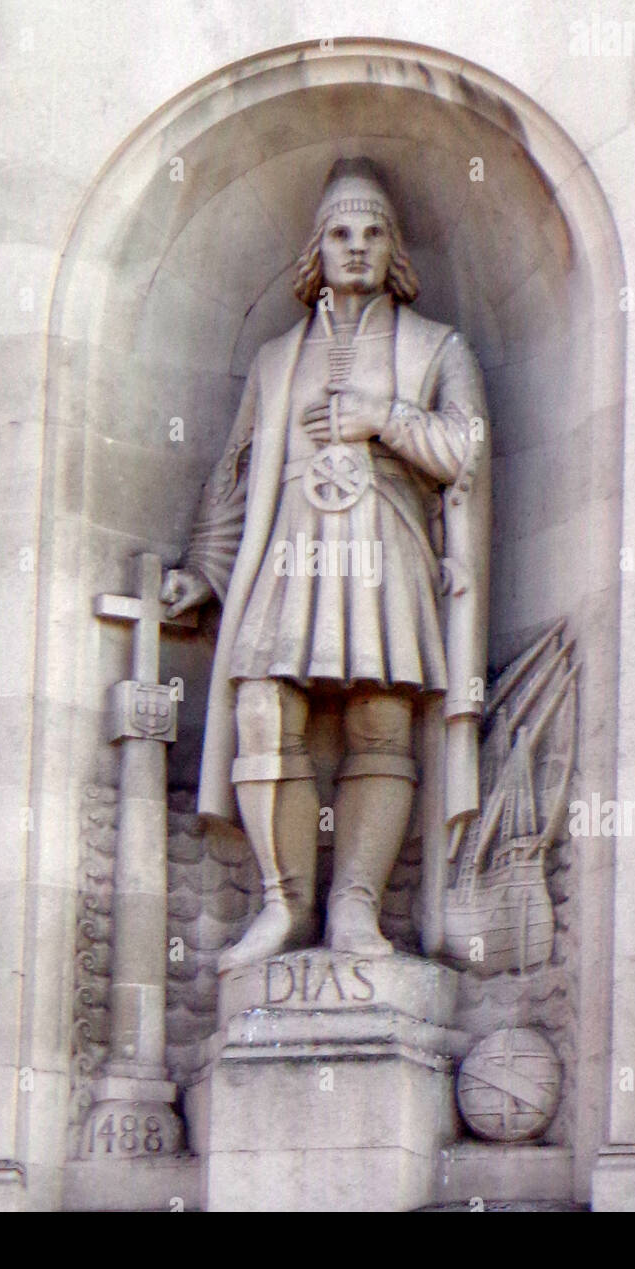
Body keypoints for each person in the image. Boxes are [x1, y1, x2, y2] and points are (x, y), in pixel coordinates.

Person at [162, 157, 490, 971]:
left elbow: (466, 451)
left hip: (384, 540)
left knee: (381, 718)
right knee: (263, 708)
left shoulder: (435, 346)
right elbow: (237, 470)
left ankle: (354, 910)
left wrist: (384, 417)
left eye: (373, 233)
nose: (356, 247)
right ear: (317, 249)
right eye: (341, 233)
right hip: (289, 546)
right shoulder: (277, 357)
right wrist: (205, 569)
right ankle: (285, 905)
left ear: (393, 251)